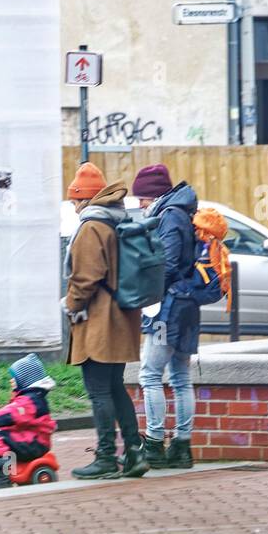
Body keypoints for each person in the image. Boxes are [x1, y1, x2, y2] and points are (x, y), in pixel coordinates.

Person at [63, 163, 149, 480]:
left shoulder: (91, 228)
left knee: (99, 391)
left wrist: (71, 305)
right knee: (115, 388)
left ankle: (105, 458)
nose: (73, 208)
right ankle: (134, 453)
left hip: (99, 320)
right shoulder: (115, 221)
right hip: (121, 318)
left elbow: (85, 277)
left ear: (85, 199)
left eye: (75, 201)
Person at [133, 165, 200, 469]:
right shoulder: (182, 211)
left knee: (149, 374)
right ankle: (182, 447)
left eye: (143, 198)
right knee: (180, 377)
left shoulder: (170, 215)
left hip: (166, 312)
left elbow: (169, 263)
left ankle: (155, 444)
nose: (140, 204)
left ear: (154, 193)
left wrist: (148, 293)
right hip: (186, 307)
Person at [0, 353, 57, 487]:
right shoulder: (32, 397)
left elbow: (8, 415)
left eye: (14, 378)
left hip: (34, 443)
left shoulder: (28, 401)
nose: (11, 381)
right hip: (34, 439)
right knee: (3, 434)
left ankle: (4, 479)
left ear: (24, 379)